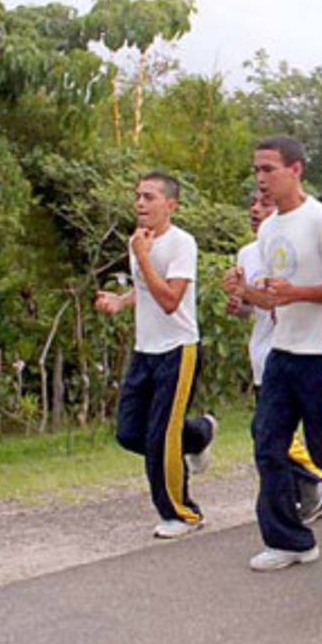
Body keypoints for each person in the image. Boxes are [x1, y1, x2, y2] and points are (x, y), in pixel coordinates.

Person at [224, 136, 322, 572]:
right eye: (256, 170)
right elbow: (269, 301)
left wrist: (296, 291)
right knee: (268, 445)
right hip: (282, 353)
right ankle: (289, 540)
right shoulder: (267, 229)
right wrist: (244, 291)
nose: (261, 179)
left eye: (269, 169)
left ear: (295, 170)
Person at [96, 172, 217, 539]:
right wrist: (121, 300)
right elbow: (145, 290)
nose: (140, 204)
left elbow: (168, 300)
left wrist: (143, 257)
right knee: (130, 433)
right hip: (144, 350)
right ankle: (199, 434)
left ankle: (183, 514)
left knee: (160, 439)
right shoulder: (140, 242)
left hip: (177, 350)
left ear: (171, 205)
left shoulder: (182, 244)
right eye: (137, 196)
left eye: (149, 197)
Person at [224, 190, 322, 528]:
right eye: (253, 203)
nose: (257, 210)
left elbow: (284, 298)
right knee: (267, 439)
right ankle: (295, 520)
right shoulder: (248, 251)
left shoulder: (311, 232)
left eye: (265, 203)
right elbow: (261, 306)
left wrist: (263, 294)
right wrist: (240, 301)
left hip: (311, 353)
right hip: (267, 358)